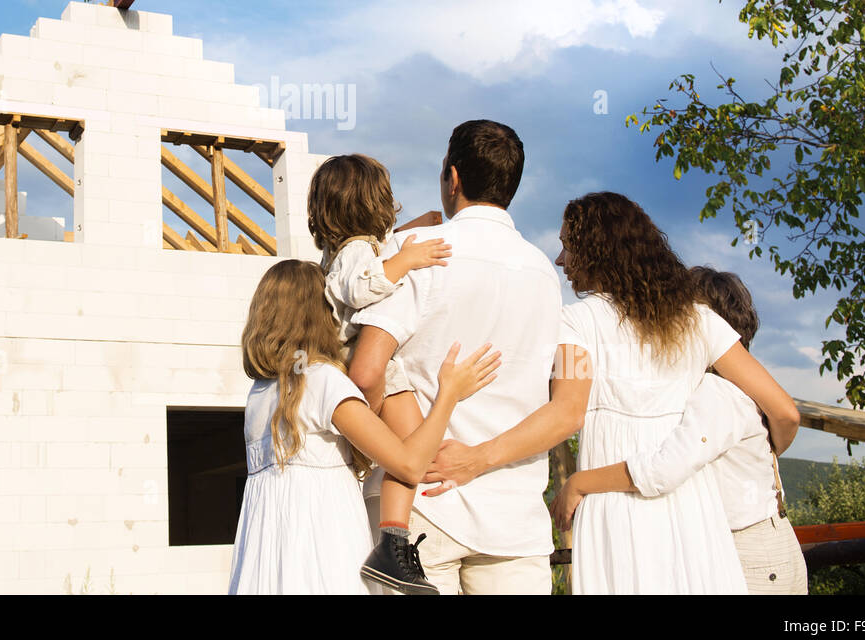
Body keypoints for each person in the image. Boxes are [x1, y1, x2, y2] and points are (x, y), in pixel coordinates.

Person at [349, 119, 565, 595]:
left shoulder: (418, 253)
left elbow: (366, 374)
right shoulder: (544, 275)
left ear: (453, 179)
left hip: (419, 511)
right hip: (513, 517)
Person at [546, 192, 800, 594]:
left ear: (595, 251)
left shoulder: (574, 325)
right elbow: (785, 411)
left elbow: (565, 410)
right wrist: (769, 456)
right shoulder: (699, 321)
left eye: (567, 247)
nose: (561, 260)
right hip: (693, 507)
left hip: (611, 504)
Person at [227, 259, 500, 595]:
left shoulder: (260, 395)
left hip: (267, 560)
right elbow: (410, 465)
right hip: (323, 551)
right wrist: (449, 394)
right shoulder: (321, 381)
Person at [307, 154, 453, 594]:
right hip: (378, 369)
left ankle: (392, 541)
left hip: (357, 365)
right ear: (374, 203)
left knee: (408, 452)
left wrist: (409, 237)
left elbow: (360, 267)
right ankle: (392, 544)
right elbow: (362, 284)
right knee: (413, 452)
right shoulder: (357, 254)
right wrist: (406, 262)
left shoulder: (342, 252)